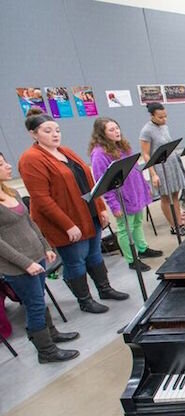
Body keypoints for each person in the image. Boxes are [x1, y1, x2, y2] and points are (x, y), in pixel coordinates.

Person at [19, 107, 129, 314]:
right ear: (33, 134)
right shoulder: (31, 159)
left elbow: (89, 182)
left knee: (95, 255)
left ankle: (104, 289)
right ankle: (85, 300)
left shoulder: (65, 152)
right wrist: (67, 225)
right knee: (75, 261)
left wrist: (100, 208)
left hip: (89, 215)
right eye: (47, 131)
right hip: (66, 221)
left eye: (57, 130)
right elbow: (41, 199)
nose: (55, 134)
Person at [0, 152, 79, 363]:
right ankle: (46, 351)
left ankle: (51, 333)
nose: (8, 166)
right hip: (19, 266)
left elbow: (30, 222)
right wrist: (26, 264)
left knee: (38, 299)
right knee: (34, 304)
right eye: (1, 164)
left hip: (37, 256)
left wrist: (45, 246)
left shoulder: (12, 193)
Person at [89, 117, 161, 272]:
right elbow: (104, 183)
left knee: (137, 223)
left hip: (135, 193)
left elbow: (135, 169)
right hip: (123, 198)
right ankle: (131, 258)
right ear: (102, 133)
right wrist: (114, 205)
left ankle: (142, 248)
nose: (117, 132)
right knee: (125, 228)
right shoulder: (99, 154)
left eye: (117, 128)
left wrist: (144, 186)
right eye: (111, 130)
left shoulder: (122, 146)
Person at [139, 102, 185, 236]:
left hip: (172, 164)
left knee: (175, 196)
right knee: (166, 198)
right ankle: (174, 227)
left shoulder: (164, 127)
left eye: (165, 116)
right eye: (160, 117)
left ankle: (180, 223)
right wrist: (153, 174)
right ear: (152, 116)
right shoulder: (146, 131)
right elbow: (145, 154)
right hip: (160, 168)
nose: (164, 119)